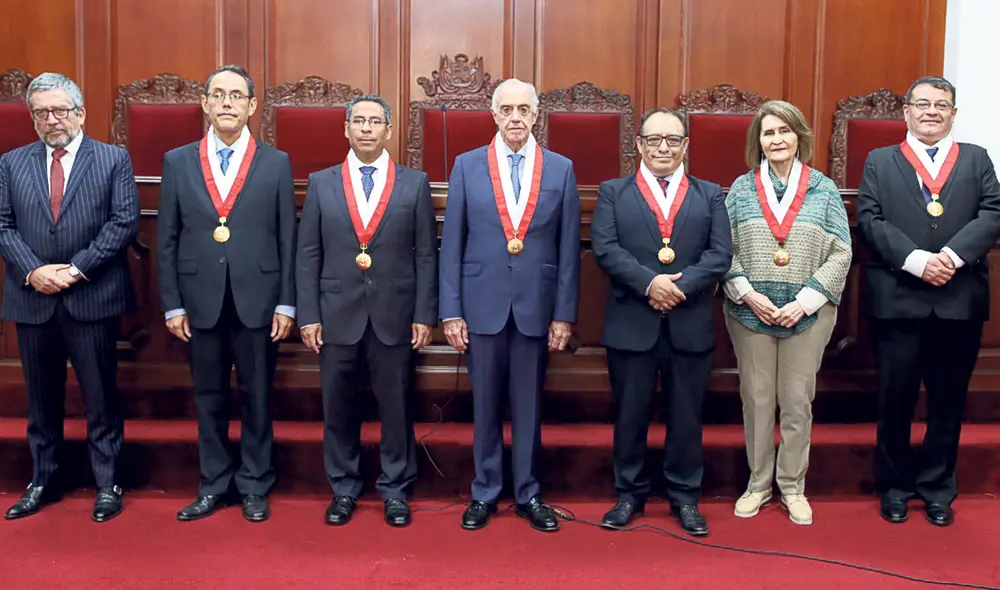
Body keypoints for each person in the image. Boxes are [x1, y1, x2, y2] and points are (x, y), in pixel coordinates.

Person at [439, 78, 580, 532]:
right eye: (507, 109)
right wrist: (451, 309)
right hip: (481, 304)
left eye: (524, 109)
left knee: (528, 406)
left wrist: (564, 314)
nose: (516, 117)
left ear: (536, 114)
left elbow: (568, 248)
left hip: (536, 306)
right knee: (484, 406)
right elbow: (452, 243)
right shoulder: (467, 166)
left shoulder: (560, 168)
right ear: (493, 114)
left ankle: (528, 491)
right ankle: (484, 491)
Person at [858, 76, 1000, 527]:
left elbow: (993, 212)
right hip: (899, 300)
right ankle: (895, 487)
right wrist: (918, 261)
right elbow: (869, 218)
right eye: (923, 104)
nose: (932, 112)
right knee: (894, 400)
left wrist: (953, 258)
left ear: (953, 113)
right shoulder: (880, 161)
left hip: (959, 300)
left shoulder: (976, 158)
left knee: (948, 402)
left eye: (942, 105)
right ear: (906, 112)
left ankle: (938, 489)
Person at [157, 64, 297, 523]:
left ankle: (255, 484)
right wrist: (173, 302)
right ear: (205, 103)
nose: (227, 103)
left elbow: (287, 239)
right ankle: (214, 484)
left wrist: (286, 302)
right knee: (209, 397)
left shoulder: (276, 163)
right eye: (218, 95)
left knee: (257, 396)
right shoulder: (178, 160)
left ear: (252, 106)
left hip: (259, 298)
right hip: (199, 301)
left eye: (236, 96)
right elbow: (168, 239)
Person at [0, 72, 139, 522]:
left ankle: (107, 482)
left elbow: (122, 223)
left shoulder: (113, 158)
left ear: (80, 112)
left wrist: (75, 270)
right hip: (32, 296)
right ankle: (43, 480)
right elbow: (3, 225)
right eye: (41, 112)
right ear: (32, 117)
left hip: (91, 296)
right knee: (41, 400)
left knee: (100, 397)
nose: (51, 119)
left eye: (60, 110)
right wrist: (34, 270)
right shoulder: (11, 162)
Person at [296, 94, 437, 527]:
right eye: (359, 121)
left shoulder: (414, 183)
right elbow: (308, 254)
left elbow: (426, 255)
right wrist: (308, 315)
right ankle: (343, 488)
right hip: (336, 313)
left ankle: (395, 489)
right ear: (346, 129)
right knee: (338, 407)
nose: (366, 129)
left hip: (395, 314)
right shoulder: (321, 183)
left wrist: (424, 314)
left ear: (389, 131)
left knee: (396, 406)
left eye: (375, 121)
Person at [591, 107, 732, 536]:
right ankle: (628, 495)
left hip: (688, 322)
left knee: (686, 416)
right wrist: (650, 283)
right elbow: (606, 248)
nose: (664, 148)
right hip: (632, 322)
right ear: (639, 145)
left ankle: (685, 498)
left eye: (673, 140)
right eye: (654, 140)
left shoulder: (709, 194)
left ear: (686, 145)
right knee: (630, 414)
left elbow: (720, 254)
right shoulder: (614, 192)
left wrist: (680, 285)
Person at [722, 100, 851, 525]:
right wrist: (748, 294)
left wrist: (806, 300)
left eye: (784, 131)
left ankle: (792, 486)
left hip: (806, 313)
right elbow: (724, 250)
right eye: (768, 133)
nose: (776, 139)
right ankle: (759, 484)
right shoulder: (741, 189)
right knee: (757, 399)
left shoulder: (824, 189)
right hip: (750, 310)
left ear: (799, 137)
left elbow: (841, 252)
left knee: (796, 401)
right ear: (757, 141)